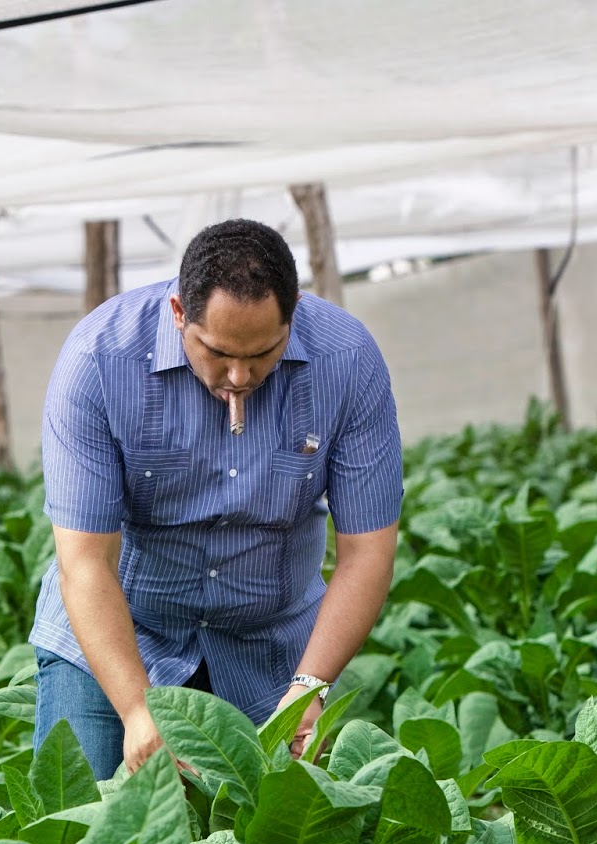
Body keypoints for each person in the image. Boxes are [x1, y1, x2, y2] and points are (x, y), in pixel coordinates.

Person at [31, 219, 404, 778]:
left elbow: (366, 554)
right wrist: (137, 710)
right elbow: (85, 561)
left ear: (294, 313)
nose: (239, 375)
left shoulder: (346, 362)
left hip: (269, 650)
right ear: (180, 311)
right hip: (120, 638)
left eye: (263, 354)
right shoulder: (100, 359)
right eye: (219, 352)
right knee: (88, 835)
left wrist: (309, 687)